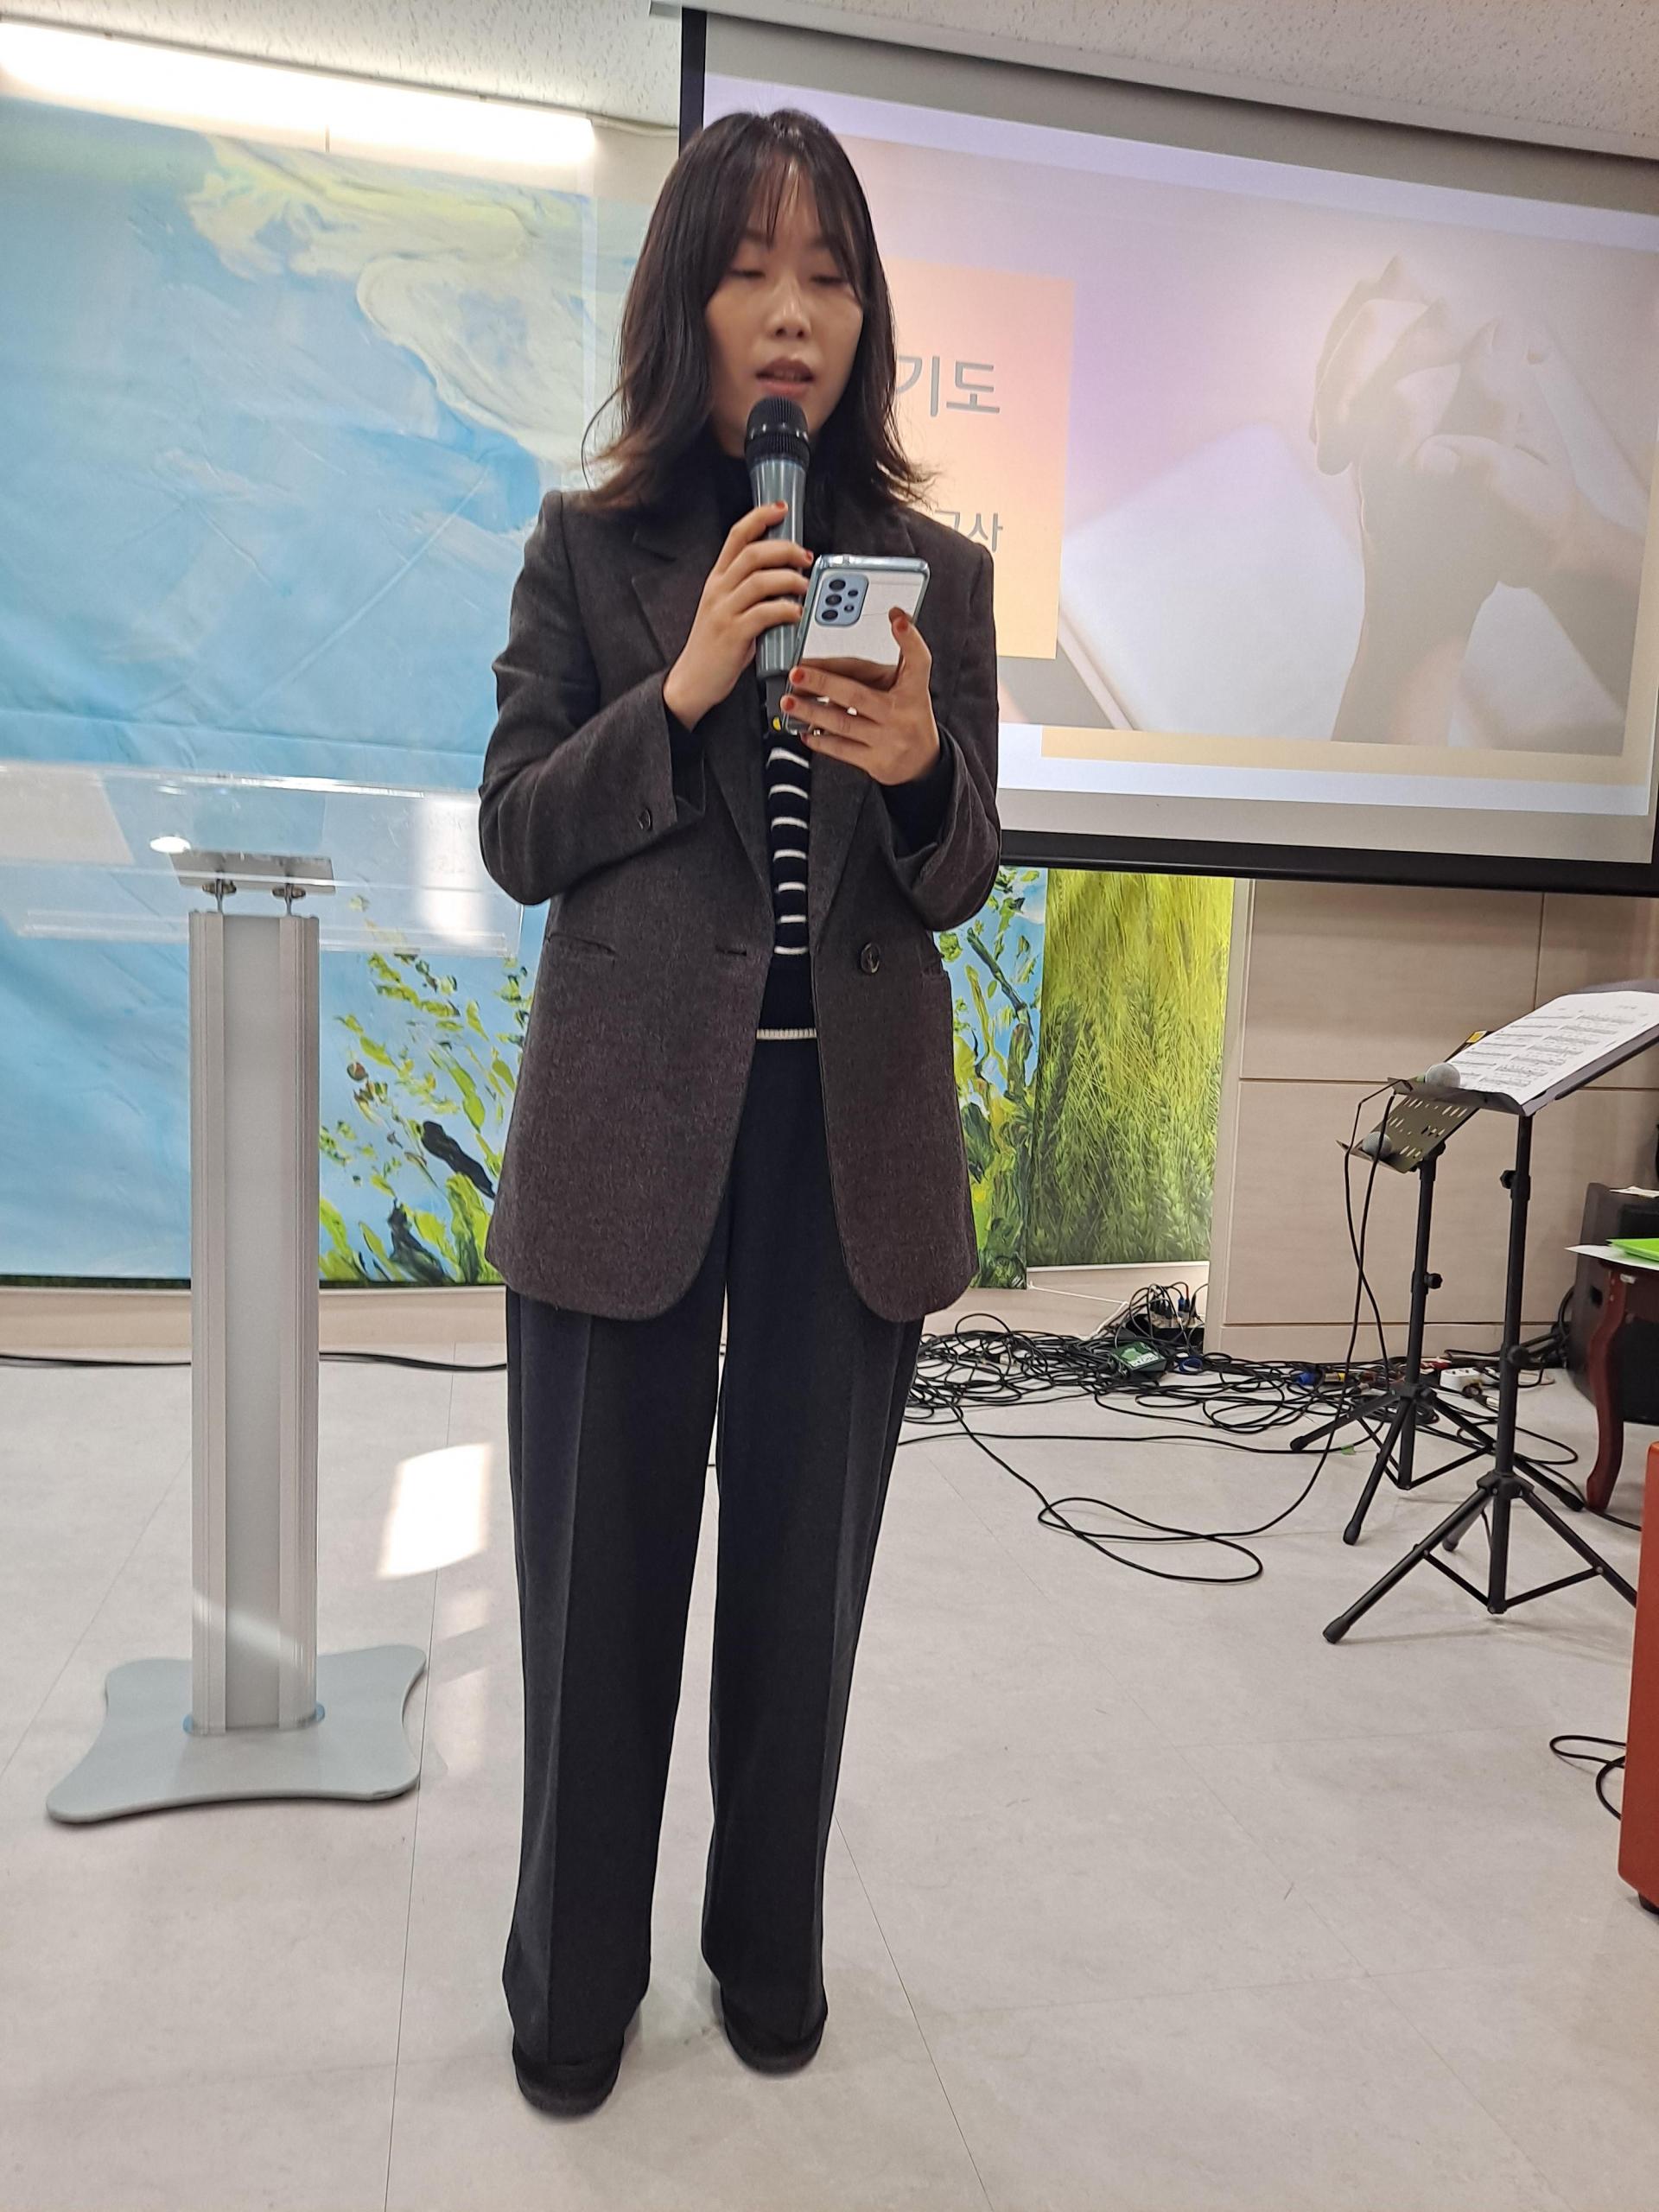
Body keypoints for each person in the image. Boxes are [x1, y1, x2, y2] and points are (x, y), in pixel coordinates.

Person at [476, 107, 1001, 2117]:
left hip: (844, 1145)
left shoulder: (938, 577)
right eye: (751, 268)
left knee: (802, 1591)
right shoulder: (587, 549)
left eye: (831, 275)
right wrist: (687, 683)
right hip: (626, 1128)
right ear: (683, 301)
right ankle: (573, 1987)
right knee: (597, 1588)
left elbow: (959, 877)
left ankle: (768, 1948)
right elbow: (521, 831)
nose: (793, 311)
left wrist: (924, 760)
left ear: (867, 321)